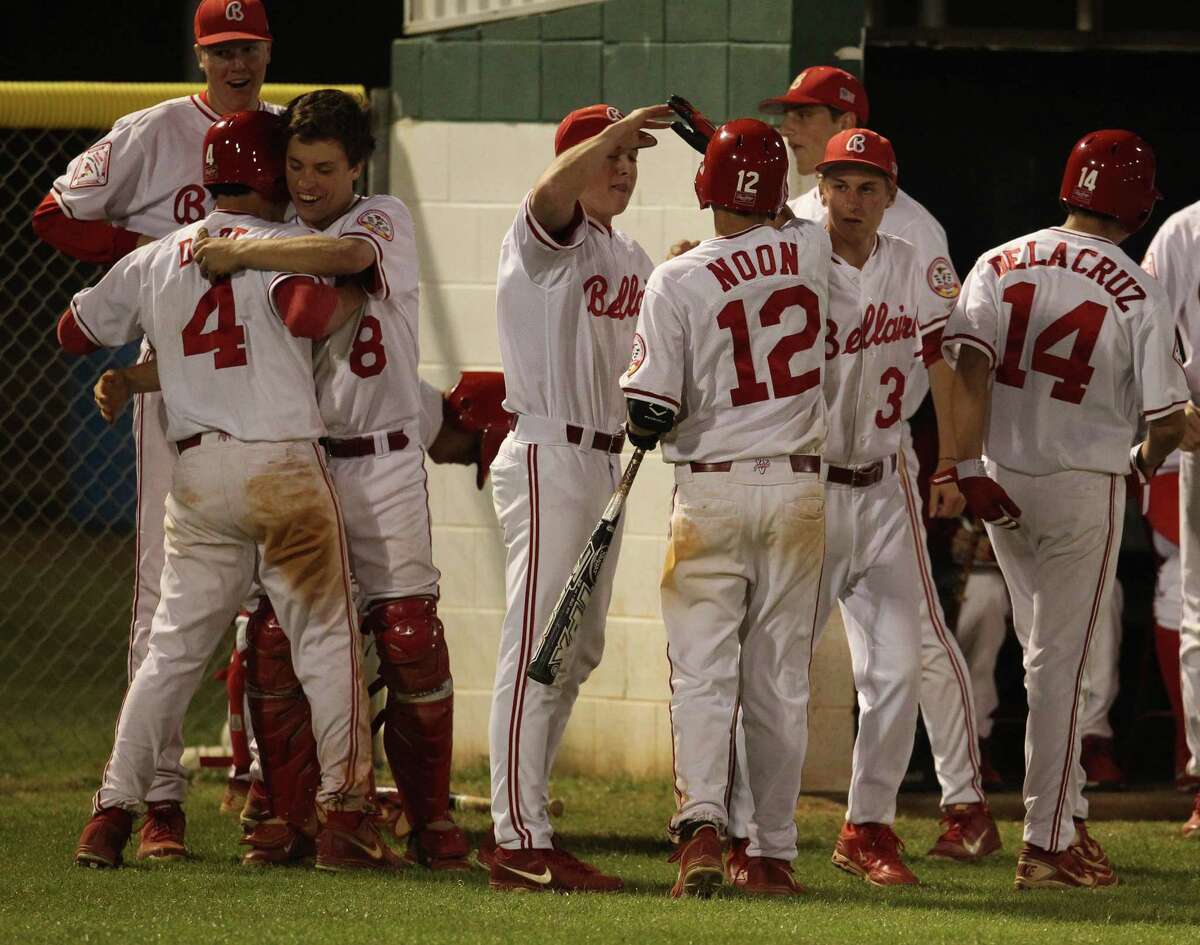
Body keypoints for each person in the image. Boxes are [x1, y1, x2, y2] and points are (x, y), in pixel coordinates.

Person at [64, 111, 392, 872]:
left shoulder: (156, 257)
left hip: (200, 471)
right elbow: (313, 309)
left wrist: (158, 336)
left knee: (171, 653)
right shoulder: (281, 246)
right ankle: (344, 819)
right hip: (282, 462)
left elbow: (72, 330)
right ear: (275, 176)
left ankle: (111, 813)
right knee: (327, 645)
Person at [188, 89, 479, 869]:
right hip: (301, 462)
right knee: (281, 638)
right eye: (296, 166)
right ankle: (299, 813)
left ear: (358, 167)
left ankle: (430, 818)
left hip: (381, 458)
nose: (309, 182)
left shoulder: (378, 218)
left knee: (410, 637)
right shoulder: (279, 235)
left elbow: (347, 262)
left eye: (325, 167)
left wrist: (246, 250)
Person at [30, 0, 279, 859]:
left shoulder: (286, 131)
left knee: (278, 603)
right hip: (179, 379)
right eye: (221, 50)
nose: (235, 63)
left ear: (268, 48)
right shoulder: (153, 129)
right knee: (164, 595)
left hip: (274, 384)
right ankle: (158, 794)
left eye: (247, 47)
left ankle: (267, 787)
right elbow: (55, 213)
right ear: (201, 54)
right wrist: (144, 256)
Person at [752, 65, 1000, 863]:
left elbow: (949, 357)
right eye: (838, 186)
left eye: (866, 186)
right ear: (824, 190)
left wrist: (954, 463)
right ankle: (747, 827)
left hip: (886, 472)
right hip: (804, 477)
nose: (850, 200)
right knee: (775, 658)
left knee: (902, 657)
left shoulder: (914, 246)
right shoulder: (784, 235)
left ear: (886, 192)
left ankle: (877, 821)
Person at [940, 129, 1186, 889]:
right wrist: (1144, 462)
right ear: (1139, 204)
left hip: (1004, 480)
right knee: (1062, 663)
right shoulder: (1137, 283)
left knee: (1039, 648)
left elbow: (965, 364)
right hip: (1084, 479)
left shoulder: (996, 258)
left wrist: (968, 465)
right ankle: (1047, 839)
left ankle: (1065, 813)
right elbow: (1169, 416)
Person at [624, 119, 830, 898]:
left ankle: (702, 831)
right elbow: (779, 220)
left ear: (705, 188)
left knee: (704, 674)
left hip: (710, 485)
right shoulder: (811, 251)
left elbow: (649, 410)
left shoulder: (676, 280)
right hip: (797, 487)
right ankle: (771, 852)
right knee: (778, 679)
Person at [484, 101, 671, 893]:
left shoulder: (627, 252)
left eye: (632, 158)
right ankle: (518, 838)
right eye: (611, 156)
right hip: (548, 450)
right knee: (537, 644)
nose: (623, 169)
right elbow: (551, 191)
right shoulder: (544, 237)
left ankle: (532, 818)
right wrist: (603, 134)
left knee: (576, 648)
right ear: (575, 161)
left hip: (603, 462)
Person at [1142, 198, 1200, 831]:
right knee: (1197, 608)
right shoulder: (1187, 230)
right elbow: (1148, 324)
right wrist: (1172, 403)